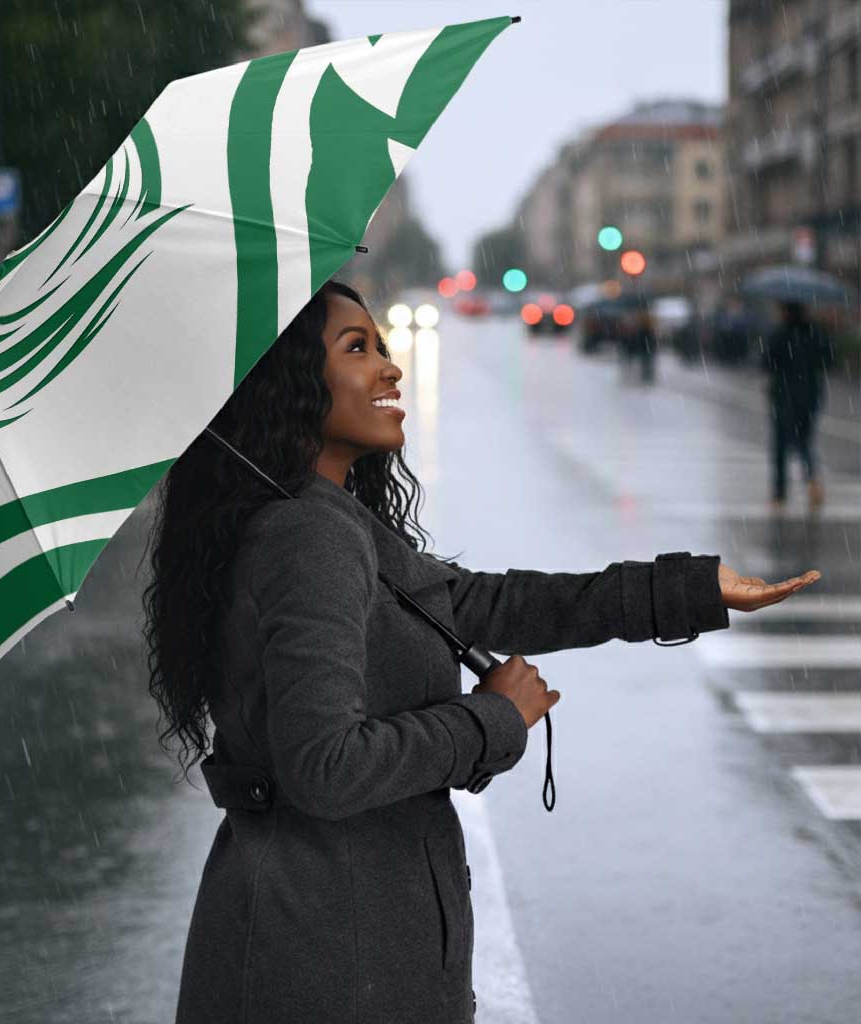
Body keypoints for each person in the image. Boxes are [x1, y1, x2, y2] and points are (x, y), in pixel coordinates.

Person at [145, 278, 820, 1024]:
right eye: (358, 347)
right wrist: (493, 720)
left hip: (321, 936)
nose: (391, 367)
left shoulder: (325, 521)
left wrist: (691, 589)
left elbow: (494, 602)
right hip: (335, 955)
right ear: (290, 381)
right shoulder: (312, 535)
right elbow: (326, 768)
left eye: (382, 345)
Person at [763, 300, 836, 514]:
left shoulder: (780, 334)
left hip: (783, 396)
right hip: (810, 395)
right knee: (804, 440)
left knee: (779, 446)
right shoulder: (816, 333)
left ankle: (779, 494)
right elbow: (829, 360)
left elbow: (766, 362)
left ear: (785, 311)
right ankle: (812, 478)